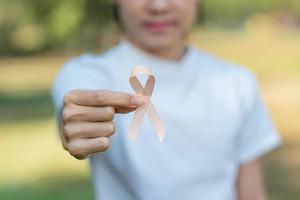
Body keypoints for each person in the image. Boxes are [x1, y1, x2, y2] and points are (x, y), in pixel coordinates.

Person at [52, 0, 281, 200]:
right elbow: (77, 99)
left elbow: (251, 193)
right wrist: (79, 122)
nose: (159, 6)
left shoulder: (237, 82)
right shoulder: (89, 73)